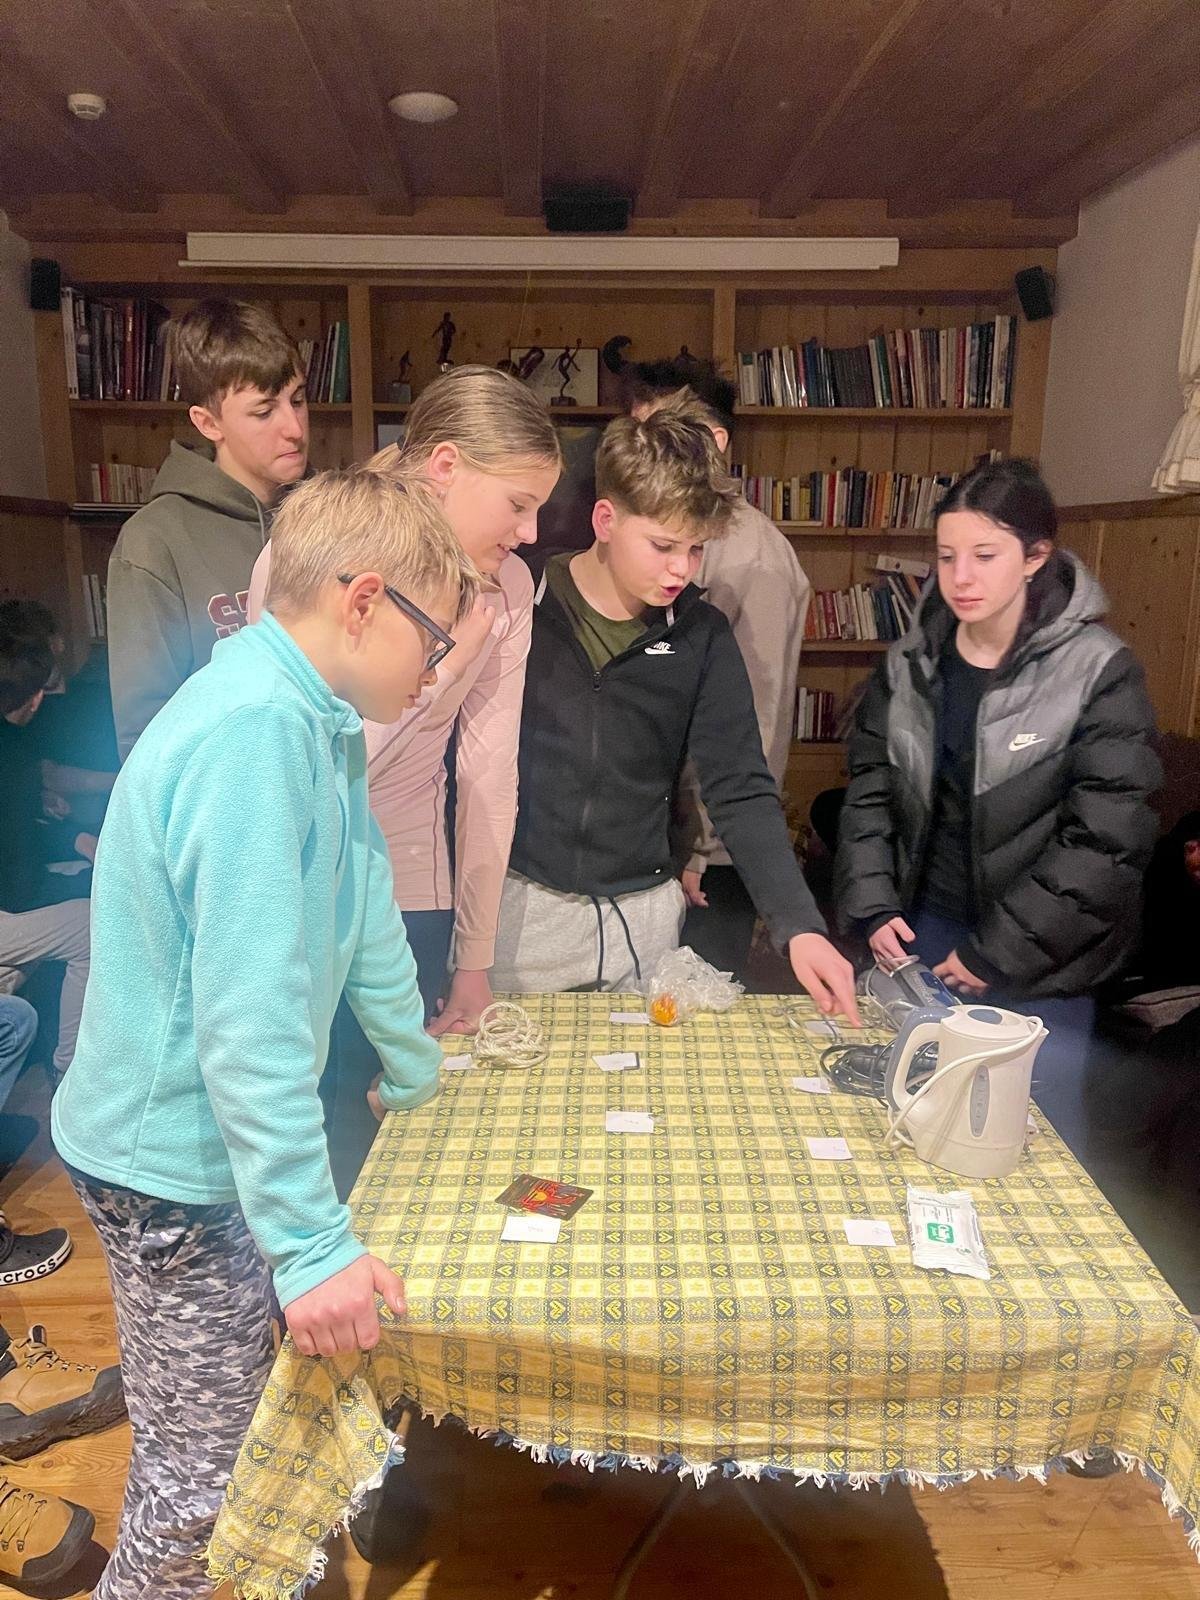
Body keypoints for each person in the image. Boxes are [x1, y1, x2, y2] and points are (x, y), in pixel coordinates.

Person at [51, 467, 474, 1599]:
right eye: (433, 641)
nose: (436, 672)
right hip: (168, 1165)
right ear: (364, 600)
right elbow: (251, 1020)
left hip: (203, 1151)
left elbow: (364, 905)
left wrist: (414, 1061)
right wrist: (310, 1245)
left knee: (228, 1424)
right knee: (206, 1482)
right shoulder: (254, 732)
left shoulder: (316, 720)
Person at [247, 367, 561, 1191]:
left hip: (410, 879)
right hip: (304, 871)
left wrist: (474, 956)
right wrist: (447, 663)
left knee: (396, 1122)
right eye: (518, 503)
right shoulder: (310, 550)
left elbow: (489, 773)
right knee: (304, 1116)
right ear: (446, 466)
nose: (530, 532)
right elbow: (303, 761)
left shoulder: (508, 588)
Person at [493, 400, 858, 1020]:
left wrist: (799, 924)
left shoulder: (700, 635)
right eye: (663, 545)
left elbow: (740, 786)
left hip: (643, 918)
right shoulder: (520, 600)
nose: (680, 570)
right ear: (606, 520)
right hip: (522, 905)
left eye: (695, 549)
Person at [835, 457, 1160, 1141]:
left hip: (1042, 962)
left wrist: (997, 954)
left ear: (1036, 557)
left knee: (1028, 1146)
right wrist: (873, 905)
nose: (961, 577)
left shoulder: (1098, 669)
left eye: (985, 556)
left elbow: (1106, 841)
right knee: (911, 1126)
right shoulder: (911, 660)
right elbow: (869, 790)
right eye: (947, 556)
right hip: (924, 934)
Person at [626, 359, 812, 979]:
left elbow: (752, 720)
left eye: (662, 433)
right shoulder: (682, 538)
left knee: (696, 1007)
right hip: (674, 835)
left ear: (716, 441)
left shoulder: (751, 556)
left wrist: (703, 848)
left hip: (715, 851)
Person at [107, 297, 311, 759]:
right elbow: (145, 736)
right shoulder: (154, 541)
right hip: (228, 796)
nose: (295, 428)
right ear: (208, 422)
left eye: (298, 400)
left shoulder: (333, 514)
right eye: (264, 411)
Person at [0, 629, 91, 1084]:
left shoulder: (13, 747)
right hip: (10, 901)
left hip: (17, 889)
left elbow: (21, 834)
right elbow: (17, 873)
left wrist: (76, 840)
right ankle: (69, 1073)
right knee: (90, 926)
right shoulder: (11, 751)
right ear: (32, 696)